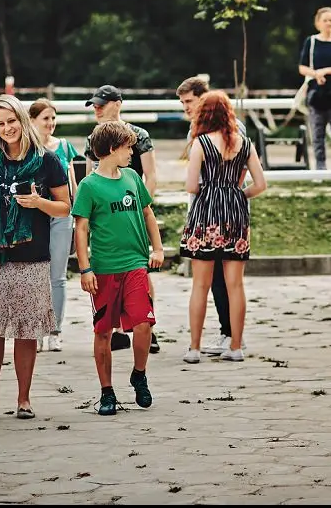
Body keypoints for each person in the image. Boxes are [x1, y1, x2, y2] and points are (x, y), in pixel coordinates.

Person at [0, 95, 70, 422]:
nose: (7, 128)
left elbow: (65, 206)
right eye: (0, 123)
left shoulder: (47, 160)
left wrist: (38, 203)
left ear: (23, 120)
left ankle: (24, 400)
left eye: (12, 121)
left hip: (32, 257)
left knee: (26, 331)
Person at [72, 121, 165, 416]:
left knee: (144, 323)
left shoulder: (133, 177)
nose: (132, 152)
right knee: (104, 332)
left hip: (136, 264)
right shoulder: (89, 186)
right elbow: (81, 228)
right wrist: (85, 269)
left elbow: (148, 213)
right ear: (112, 149)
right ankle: (107, 392)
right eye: (128, 147)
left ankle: (139, 374)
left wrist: (158, 248)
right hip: (103, 270)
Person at [180, 91, 267, 363]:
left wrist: (211, 189)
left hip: (206, 211)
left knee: (200, 285)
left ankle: (194, 348)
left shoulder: (201, 143)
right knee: (235, 285)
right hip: (235, 213)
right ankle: (236, 346)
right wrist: (240, 194)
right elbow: (261, 184)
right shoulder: (245, 143)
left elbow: (191, 186)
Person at [84, 84, 160, 354]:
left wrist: (141, 207)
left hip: (133, 203)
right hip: (109, 209)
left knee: (140, 270)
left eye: (101, 104)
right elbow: (90, 174)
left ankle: (146, 324)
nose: (97, 109)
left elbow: (149, 174)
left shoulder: (139, 135)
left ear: (117, 103)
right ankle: (116, 330)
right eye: (94, 105)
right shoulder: (93, 138)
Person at [29, 98, 80, 353]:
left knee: (57, 276)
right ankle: (36, 328)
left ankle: (55, 330)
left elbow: (72, 183)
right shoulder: (28, 148)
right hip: (36, 214)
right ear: (33, 121)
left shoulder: (65, 147)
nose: (50, 123)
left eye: (53, 118)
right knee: (37, 274)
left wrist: (78, 213)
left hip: (61, 215)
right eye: (45, 118)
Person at [297, 7, 331, 170]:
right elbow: (302, 67)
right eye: (325, 20)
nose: (329, 23)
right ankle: (320, 168)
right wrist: (315, 74)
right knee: (317, 133)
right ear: (318, 23)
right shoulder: (311, 42)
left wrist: (326, 71)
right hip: (316, 93)